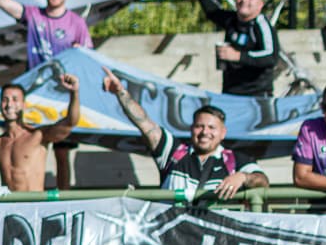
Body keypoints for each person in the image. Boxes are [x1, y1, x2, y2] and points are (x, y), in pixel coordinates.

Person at [0, 0, 93, 190]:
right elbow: (1, 1)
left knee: (62, 152)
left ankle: (62, 202)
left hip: (63, 97)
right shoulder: (34, 15)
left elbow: (87, 59)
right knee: (31, 149)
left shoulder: (76, 22)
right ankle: (30, 199)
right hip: (35, 97)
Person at [100, 70, 268, 200]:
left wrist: (242, 177)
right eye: (199, 126)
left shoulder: (236, 160)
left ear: (223, 133)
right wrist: (121, 92)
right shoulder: (172, 152)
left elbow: (263, 182)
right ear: (191, 129)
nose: (205, 132)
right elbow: (144, 123)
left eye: (212, 127)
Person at [191, 0, 280, 96]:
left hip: (257, 95)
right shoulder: (232, 20)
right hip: (231, 93)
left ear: (260, 4)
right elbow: (212, 12)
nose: (244, 0)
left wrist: (238, 56)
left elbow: (271, 57)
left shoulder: (261, 25)